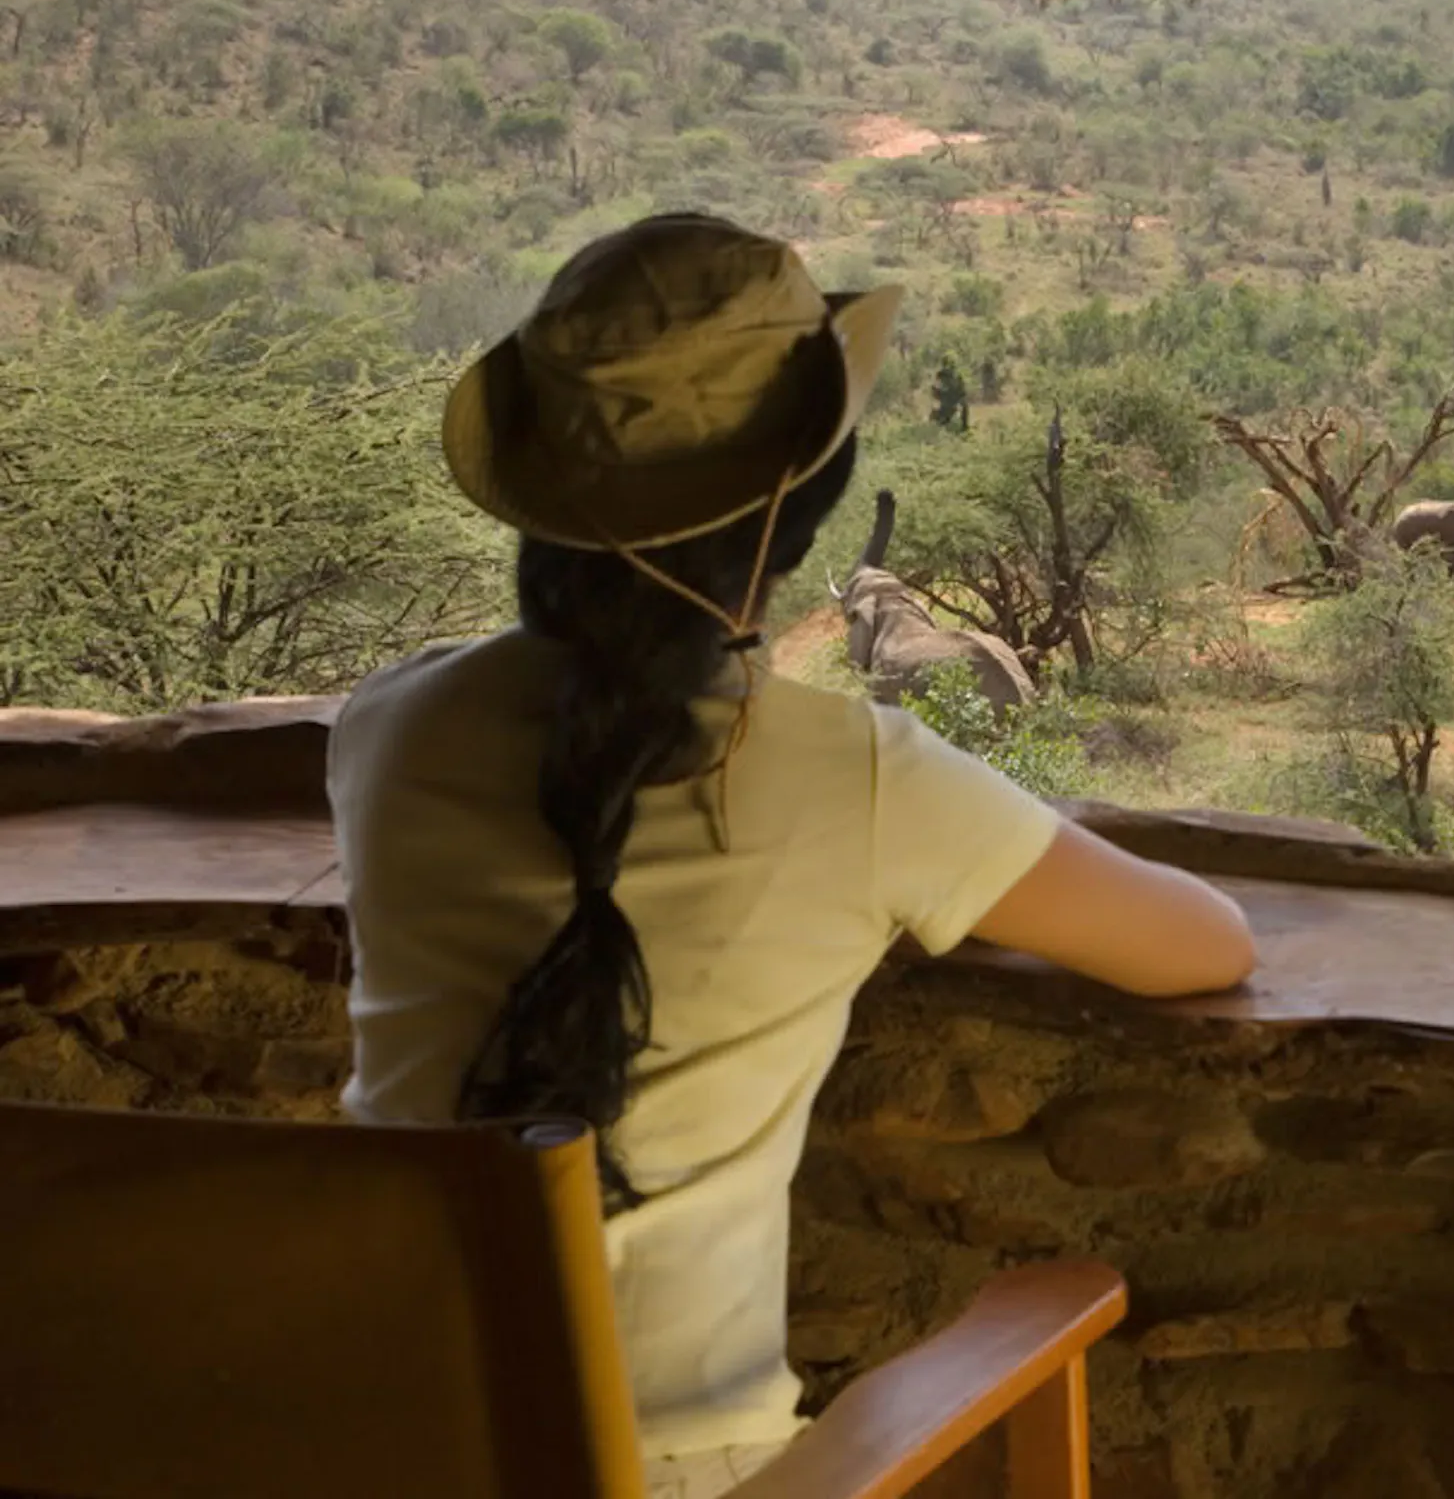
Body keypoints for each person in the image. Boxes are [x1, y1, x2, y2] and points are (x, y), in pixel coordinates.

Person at [328, 213, 1256, 1498]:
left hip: (357, 1439)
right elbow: (1205, 947)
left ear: (537, 498)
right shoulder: (856, 775)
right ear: (797, 513)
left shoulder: (388, 728)